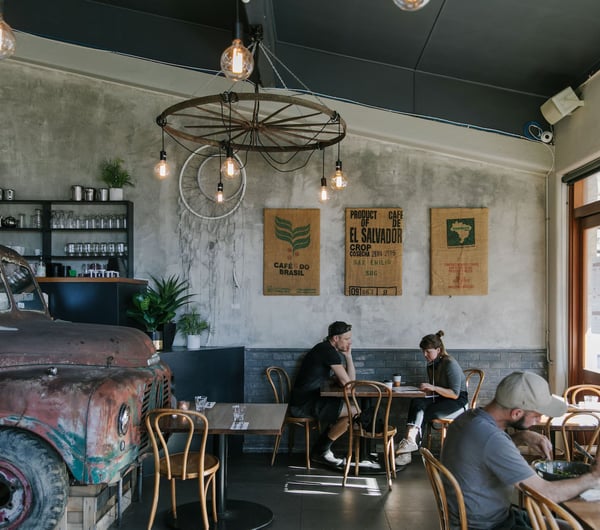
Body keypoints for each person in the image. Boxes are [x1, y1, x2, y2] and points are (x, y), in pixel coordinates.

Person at [442, 371, 600, 529]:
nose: (539, 420)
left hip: (486, 517)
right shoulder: (492, 439)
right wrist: (593, 477)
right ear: (516, 413)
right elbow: (545, 493)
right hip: (489, 526)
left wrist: (521, 436)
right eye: (537, 415)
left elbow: (485, 452)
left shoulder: (469, 418)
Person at [395, 330, 468, 466]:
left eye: (428, 351)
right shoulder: (433, 365)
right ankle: (410, 443)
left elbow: (455, 394)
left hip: (458, 403)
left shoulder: (449, 364)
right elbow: (437, 389)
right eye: (423, 351)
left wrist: (433, 388)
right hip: (443, 398)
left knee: (422, 412)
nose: (425, 355)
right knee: (417, 402)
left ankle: (407, 450)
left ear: (438, 350)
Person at [289, 321, 356, 467]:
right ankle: (321, 451)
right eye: (346, 339)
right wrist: (345, 368)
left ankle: (321, 450)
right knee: (354, 412)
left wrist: (348, 356)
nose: (349, 342)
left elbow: (349, 382)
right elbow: (349, 384)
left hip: (307, 399)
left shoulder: (325, 349)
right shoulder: (328, 351)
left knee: (353, 410)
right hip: (303, 404)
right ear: (335, 338)